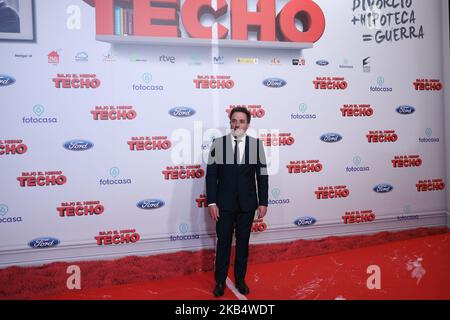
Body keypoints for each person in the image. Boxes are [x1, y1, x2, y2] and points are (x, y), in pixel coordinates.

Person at [206, 106, 269, 297]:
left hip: (247, 204)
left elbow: (262, 175)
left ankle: (240, 279)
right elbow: (211, 176)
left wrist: (263, 202)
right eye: (234, 120)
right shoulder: (218, 144)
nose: (237, 124)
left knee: (243, 243)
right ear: (230, 122)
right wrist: (212, 202)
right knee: (223, 243)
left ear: (248, 124)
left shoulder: (256, 145)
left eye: (241, 121)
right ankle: (220, 281)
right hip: (223, 205)